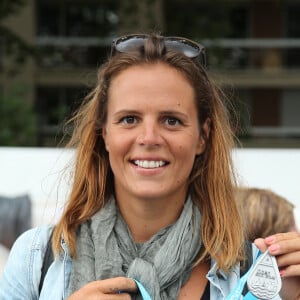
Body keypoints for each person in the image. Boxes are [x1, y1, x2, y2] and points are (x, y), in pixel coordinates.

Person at [0, 33, 299, 300]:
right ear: (104, 133)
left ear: (202, 137)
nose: (149, 138)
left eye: (171, 120)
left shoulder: (258, 275)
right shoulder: (36, 259)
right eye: (129, 119)